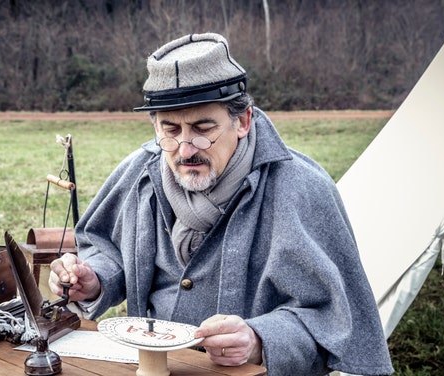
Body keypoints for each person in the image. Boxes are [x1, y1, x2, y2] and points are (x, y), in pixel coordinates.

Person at [49, 32, 393, 375]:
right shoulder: (140, 173)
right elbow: (105, 246)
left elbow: (333, 319)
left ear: (242, 121)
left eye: (203, 128)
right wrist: (94, 277)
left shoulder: (302, 189)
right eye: (170, 130)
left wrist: (259, 339)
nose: (185, 149)